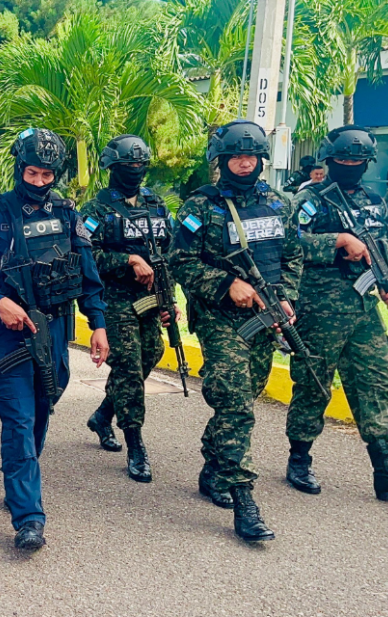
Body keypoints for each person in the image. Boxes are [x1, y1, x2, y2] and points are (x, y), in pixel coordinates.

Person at [0, 128, 109, 550]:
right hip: (10, 337)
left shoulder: (66, 213)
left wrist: (97, 324)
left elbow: (88, 274)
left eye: (47, 175)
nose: (39, 182)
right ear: (18, 167)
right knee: (20, 423)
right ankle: (29, 517)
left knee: (44, 409)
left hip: (55, 330)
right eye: (32, 172)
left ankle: (18, 482)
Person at [169, 120, 302, 543]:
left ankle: (214, 466)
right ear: (220, 160)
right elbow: (181, 262)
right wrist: (227, 285)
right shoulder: (200, 207)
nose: (244, 164)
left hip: (266, 314)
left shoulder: (279, 203)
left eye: (251, 157)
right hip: (218, 317)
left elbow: (293, 255)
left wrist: (287, 298)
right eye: (236, 157)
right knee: (235, 402)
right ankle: (244, 499)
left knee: (247, 394)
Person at [284, 125, 388, 502]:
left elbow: (377, 246)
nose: (350, 165)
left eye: (357, 161)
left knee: (375, 379)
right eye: (343, 160)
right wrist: (338, 241)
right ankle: (299, 459)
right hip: (320, 307)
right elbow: (290, 240)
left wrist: (387, 284)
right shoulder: (311, 199)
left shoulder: (372, 201)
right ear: (329, 161)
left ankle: (387, 470)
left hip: (364, 308)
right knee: (314, 382)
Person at [84, 135, 175, 482]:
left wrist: (169, 299)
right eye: (127, 166)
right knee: (129, 369)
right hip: (113, 299)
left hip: (149, 299)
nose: (134, 171)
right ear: (112, 168)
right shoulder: (96, 210)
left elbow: (169, 254)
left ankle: (103, 414)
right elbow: (85, 256)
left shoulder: (156, 205)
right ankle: (135, 442)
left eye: (140, 165)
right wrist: (128, 259)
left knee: (152, 351)